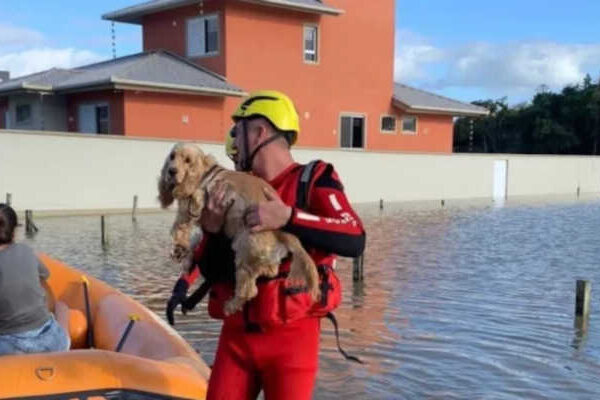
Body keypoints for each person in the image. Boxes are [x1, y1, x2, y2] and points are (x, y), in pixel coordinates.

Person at [166, 91, 366, 400]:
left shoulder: (313, 179)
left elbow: (354, 236)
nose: (233, 139)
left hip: (292, 341)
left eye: (239, 131)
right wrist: (213, 228)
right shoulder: (231, 187)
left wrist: (287, 217)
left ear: (260, 132)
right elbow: (214, 271)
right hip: (235, 339)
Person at [0, 204, 70, 356]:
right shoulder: (26, 251)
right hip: (51, 342)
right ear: (14, 231)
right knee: (62, 307)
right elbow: (46, 290)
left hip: (9, 348)